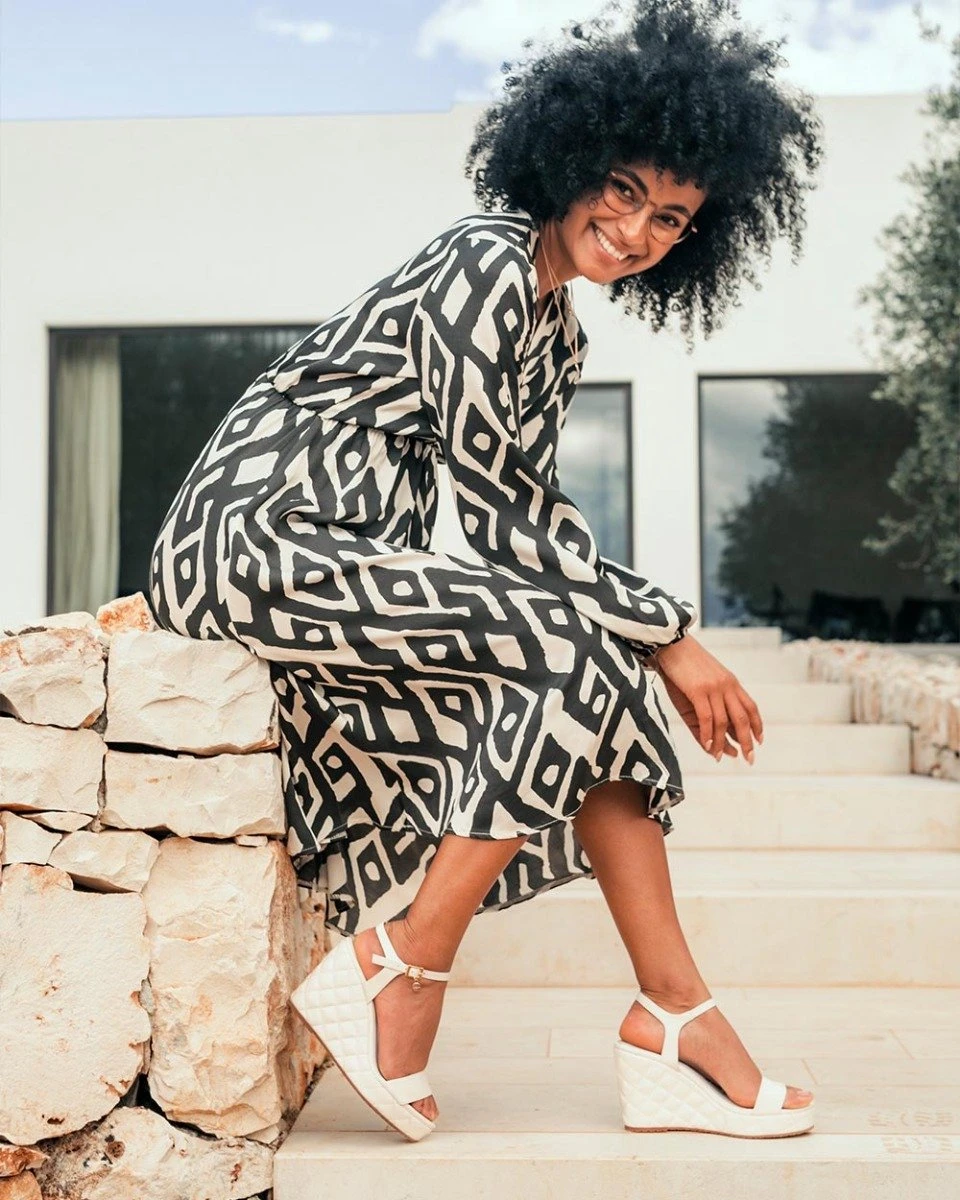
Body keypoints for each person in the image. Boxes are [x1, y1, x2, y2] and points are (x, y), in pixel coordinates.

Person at [149, 0, 823, 1143]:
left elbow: (531, 516)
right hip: (255, 540)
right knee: (574, 654)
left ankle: (675, 1016)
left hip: (349, 560)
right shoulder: (485, 263)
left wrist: (641, 644)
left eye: (670, 218)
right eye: (622, 188)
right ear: (569, 157)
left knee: (597, 685)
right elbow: (506, 516)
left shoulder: (558, 334)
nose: (636, 229)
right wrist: (670, 634)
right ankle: (407, 965)